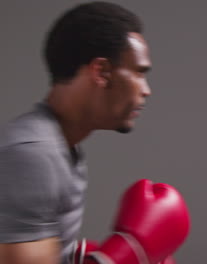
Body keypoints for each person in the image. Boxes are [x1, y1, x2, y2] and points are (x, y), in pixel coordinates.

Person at [0, 2, 189, 264]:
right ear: (101, 72)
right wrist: (125, 254)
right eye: (138, 73)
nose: (146, 90)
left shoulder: (63, 148)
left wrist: (81, 256)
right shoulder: (32, 155)